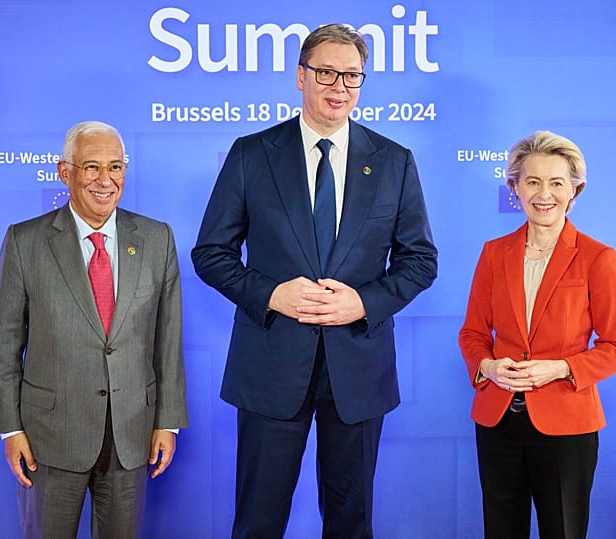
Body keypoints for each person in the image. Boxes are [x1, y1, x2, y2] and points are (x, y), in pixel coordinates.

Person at [192, 23, 437, 539]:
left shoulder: (394, 162)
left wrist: (363, 303)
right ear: (301, 76)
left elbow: (420, 261)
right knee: (258, 521)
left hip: (358, 371)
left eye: (352, 75)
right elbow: (211, 253)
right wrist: (271, 294)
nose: (339, 85)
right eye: (326, 72)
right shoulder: (251, 154)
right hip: (271, 368)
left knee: (352, 524)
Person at [0, 121, 188, 538]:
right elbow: (6, 344)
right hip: (50, 438)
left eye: (116, 167)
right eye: (92, 167)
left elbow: (167, 340)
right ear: (65, 172)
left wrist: (167, 421)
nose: (106, 180)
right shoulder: (25, 241)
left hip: (131, 434)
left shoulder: (157, 238)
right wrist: (11, 427)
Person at [458, 130, 616, 538]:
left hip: (567, 424)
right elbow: (472, 332)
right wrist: (487, 367)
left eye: (557, 183)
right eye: (532, 181)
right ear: (514, 188)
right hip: (497, 419)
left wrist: (559, 368)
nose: (544, 194)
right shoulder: (493, 252)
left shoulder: (597, 257)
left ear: (575, 190)